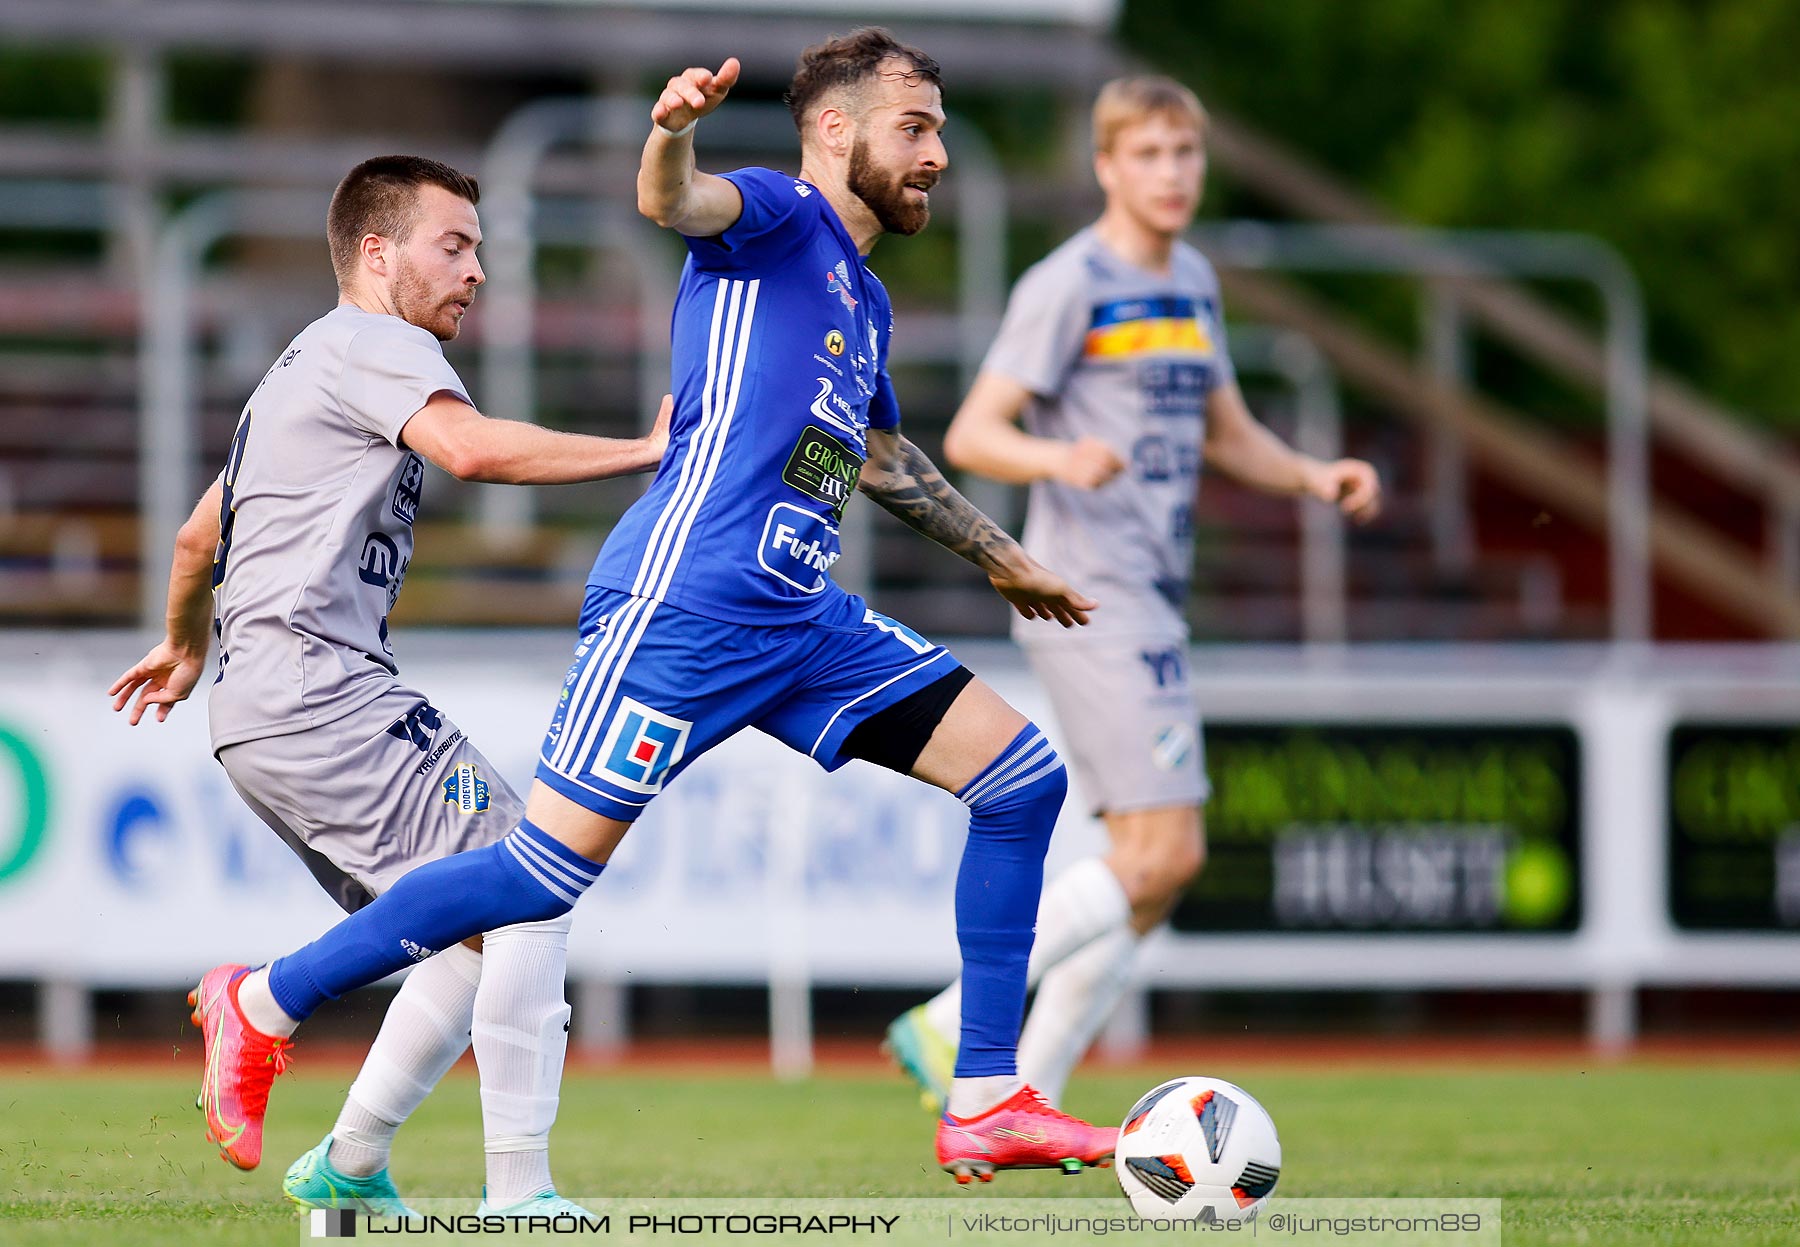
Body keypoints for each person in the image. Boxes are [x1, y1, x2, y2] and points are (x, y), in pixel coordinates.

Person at [182, 29, 1119, 1187]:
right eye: (914, 128)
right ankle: (266, 996)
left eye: (935, 130)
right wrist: (671, 131)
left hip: (800, 615)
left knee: (1021, 778)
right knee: (537, 877)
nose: (935, 155)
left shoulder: (862, 301)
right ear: (837, 131)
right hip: (687, 597)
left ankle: (985, 1095)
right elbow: (671, 198)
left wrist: (998, 553)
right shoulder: (778, 216)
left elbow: (875, 457)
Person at [111, 154, 670, 1216]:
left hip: (263, 708)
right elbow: (466, 451)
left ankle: (352, 1159)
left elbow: (196, 537)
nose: (477, 271)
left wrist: (187, 646)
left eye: (480, 250)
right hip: (321, 690)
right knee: (535, 872)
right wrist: (644, 450)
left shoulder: (305, 367)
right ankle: (510, 1188)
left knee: (475, 918)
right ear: (377, 253)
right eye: (452, 245)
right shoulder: (376, 343)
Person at [886, 76, 1382, 1111]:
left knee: (1148, 880)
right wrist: (1061, 458)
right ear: (1108, 166)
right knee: (1169, 849)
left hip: (1155, 594)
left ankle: (1024, 1093)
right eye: (1147, 155)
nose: (1170, 174)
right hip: (1090, 596)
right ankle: (946, 1023)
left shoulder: (1192, 281)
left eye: (1184, 155)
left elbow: (1226, 428)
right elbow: (975, 433)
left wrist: (1311, 474)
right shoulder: (1071, 282)